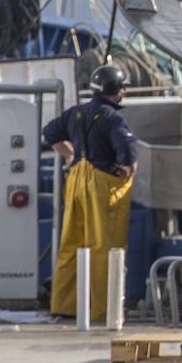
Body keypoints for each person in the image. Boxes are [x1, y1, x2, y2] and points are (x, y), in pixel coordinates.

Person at [44, 64, 138, 321]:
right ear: (118, 91)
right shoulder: (113, 118)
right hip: (100, 184)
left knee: (71, 243)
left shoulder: (76, 113)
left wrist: (69, 155)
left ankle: (65, 306)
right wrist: (126, 172)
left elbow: (49, 132)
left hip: (75, 180)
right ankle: (103, 309)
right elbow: (127, 156)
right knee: (104, 246)